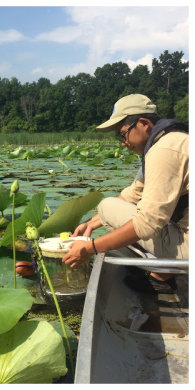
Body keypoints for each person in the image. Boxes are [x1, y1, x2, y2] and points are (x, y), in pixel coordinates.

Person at [63, 94, 188, 293]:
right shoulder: (169, 141)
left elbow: (147, 223)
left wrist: (91, 248)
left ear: (144, 123)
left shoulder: (163, 150)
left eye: (123, 134)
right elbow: (132, 195)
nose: (123, 143)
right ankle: (163, 273)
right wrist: (90, 224)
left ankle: (164, 276)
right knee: (109, 210)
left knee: (107, 206)